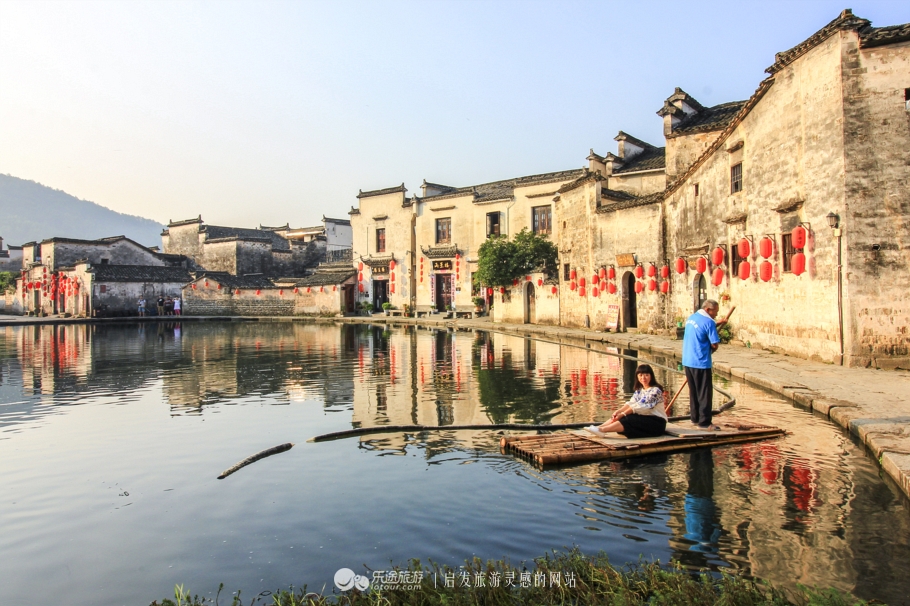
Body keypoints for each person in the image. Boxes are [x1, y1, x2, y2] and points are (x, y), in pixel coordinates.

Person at [585, 364, 667, 438]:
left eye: (646, 375)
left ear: (651, 376)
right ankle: (599, 427)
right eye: (640, 375)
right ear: (637, 377)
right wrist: (619, 411)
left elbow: (641, 407)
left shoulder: (655, 391)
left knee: (629, 419)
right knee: (621, 416)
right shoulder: (639, 390)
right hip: (645, 418)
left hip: (657, 423)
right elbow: (631, 404)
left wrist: (623, 414)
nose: (643, 378)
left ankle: (602, 430)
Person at [682, 299, 728, 431]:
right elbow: (714, 344)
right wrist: (711, 349)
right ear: (708, 310)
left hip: (688, 361)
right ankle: (705, 422)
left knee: (694, 392)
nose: (716, 315)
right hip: (701, 362)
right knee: (704, 393)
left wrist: (718, 323)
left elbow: (704, 326)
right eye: (715, 312)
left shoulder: (692, 318)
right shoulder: (709, 322)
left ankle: (695, 418)